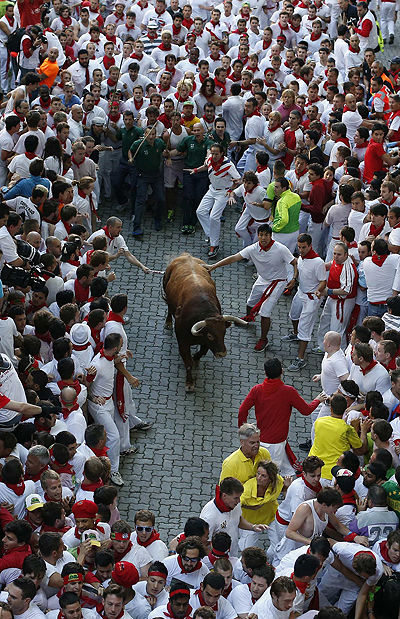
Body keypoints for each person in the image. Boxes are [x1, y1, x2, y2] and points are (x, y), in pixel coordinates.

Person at [205, 224, 298, 351]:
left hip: (278, 282)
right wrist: (213, 266)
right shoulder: (253, 248)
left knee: (265, 311)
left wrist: (293, 279)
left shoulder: (281, 249)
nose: (263, 238)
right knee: (250, 302)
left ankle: (263, 340)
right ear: (258, 235)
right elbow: (234, 258)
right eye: (261, 235)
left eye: (266, 235)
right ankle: (248, 318)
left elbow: (294, 263)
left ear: (271, 236)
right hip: (262, 279)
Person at [239, 358, 324, 475]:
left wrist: (244, 433)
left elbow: (242, 411)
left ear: (265, 373)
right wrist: (317, 400)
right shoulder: (288, 391)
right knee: (269, 478)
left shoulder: (256, 390)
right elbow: (306, 410)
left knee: (287, 472)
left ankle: (287, 491)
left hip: (261, 441)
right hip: (277, 445)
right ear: (282, 371)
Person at [282, 233, 327, 370]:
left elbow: (323, 281)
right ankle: (296, 334)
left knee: (305, 328)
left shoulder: (318, 262)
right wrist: (294, 279)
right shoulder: (301, 257)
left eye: (303, 247)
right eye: (299, 247)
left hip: (311, 298)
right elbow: (298, 267)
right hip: (300, 292)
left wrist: (318, 291)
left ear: (310, 246)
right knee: (293, 315)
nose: (300, 250)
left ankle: (300, 358)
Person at [194, 143, 241, 259]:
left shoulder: (228, 165)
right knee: (200, 212)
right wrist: (196, 170)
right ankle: (211, 236)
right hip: (212, 189)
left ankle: (214, 245)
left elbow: (238, 179)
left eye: (216, 154)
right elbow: (206, 166)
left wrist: (231, 190)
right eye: (212, 153)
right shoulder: (210, 159)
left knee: (214, 217)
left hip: (223, 192)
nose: (214, 156)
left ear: (222, 153)